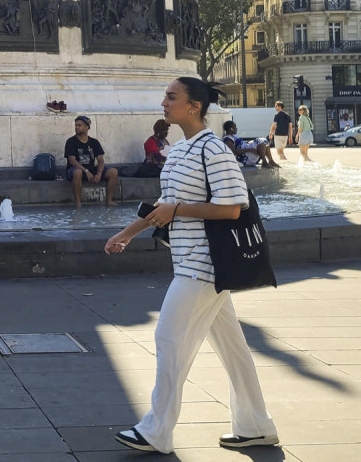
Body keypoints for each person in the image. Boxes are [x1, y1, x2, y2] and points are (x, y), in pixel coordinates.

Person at [105, 77, 278, 453]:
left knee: (168, 339)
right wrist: (128, 233)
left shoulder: (213, 150)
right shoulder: (181, 150)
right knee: (234, 350)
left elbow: (233, 207)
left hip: (204, 265)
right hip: (188, 259)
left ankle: (156, 430)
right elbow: (163, 204)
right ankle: (256, 425)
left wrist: (177, 210)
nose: (163, 103)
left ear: (193, 106)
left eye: (171, 97)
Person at [65, 116, 120, 208]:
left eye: (79, 125)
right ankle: (78, 203)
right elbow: (72, 160)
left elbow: (100, 160)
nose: (77, 127)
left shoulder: (94, 142)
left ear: (87, 127)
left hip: (91, 168)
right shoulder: (71, 141)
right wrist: (86, 172)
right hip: (76, 169)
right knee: (77, 172)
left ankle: (109, 201)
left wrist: (99, 173)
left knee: (113, 172)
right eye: (76, 125)